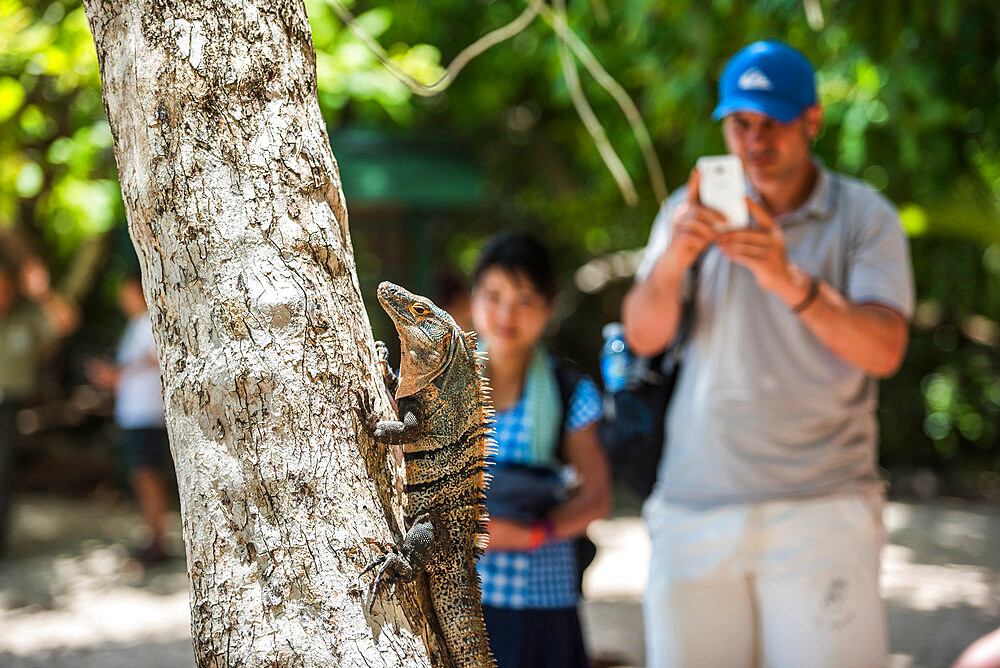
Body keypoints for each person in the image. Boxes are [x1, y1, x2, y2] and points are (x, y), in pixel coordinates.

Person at [622, 41, 914, 668]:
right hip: (692, 507)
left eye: (771, 122)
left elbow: (884, 348)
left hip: (823, 510)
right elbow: (642, 336)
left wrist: (788, 279)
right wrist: (675, 257)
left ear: (812, 120)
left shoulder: (866, 217)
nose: (753, 141)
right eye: (739, 124)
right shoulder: (685, 212)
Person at [470, 234, 612, 668]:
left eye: (525, 299)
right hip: (460, 600)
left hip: (544, 603)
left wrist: (532, 535)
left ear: (549, 308)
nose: (506, 314)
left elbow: (597, 498)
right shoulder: (442, 388)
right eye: (493, 296)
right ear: (472, 300)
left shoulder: (572, 392)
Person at [87, 275, 171, 565]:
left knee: (148, 476)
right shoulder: (134, 326)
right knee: (141, 476)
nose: (123, 300)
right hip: (134, 414)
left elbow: (157, 357)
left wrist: (119, 372)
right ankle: (153, 537)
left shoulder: (150, 321)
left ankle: (158, 540)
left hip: (148, 413)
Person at [0, 255, 79, 557]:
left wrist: (43, 293)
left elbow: (66, 322)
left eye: (6, 286)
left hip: (10, 405)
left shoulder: (27, 316)